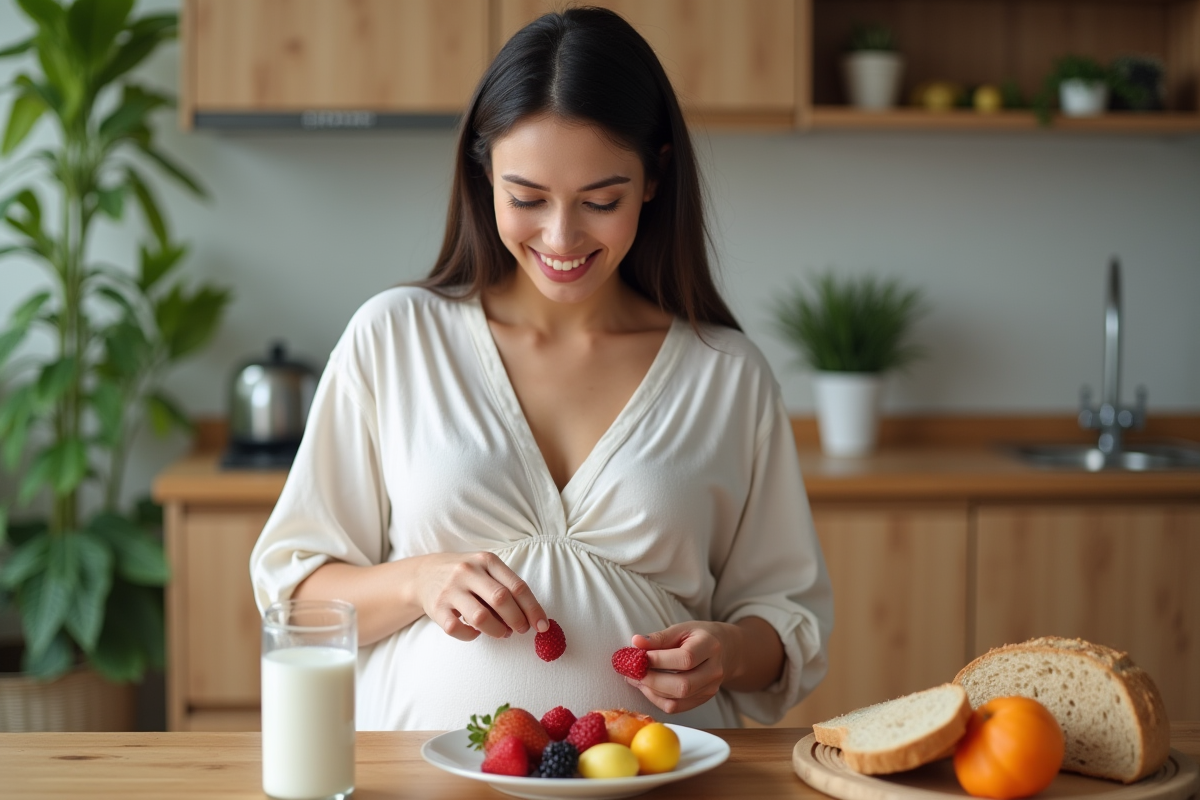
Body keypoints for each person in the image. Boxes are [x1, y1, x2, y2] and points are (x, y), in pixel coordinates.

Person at [250, 7, 832, 732]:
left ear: (654, 178)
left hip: (662, 783)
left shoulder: (727, 375)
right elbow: (296, 596)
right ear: (483, 174)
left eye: (601, 200)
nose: (561, 237)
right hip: (422, 784)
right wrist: (418, 580)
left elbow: (788, 622)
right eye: (526, 198)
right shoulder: (394, 338)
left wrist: (732, 650)